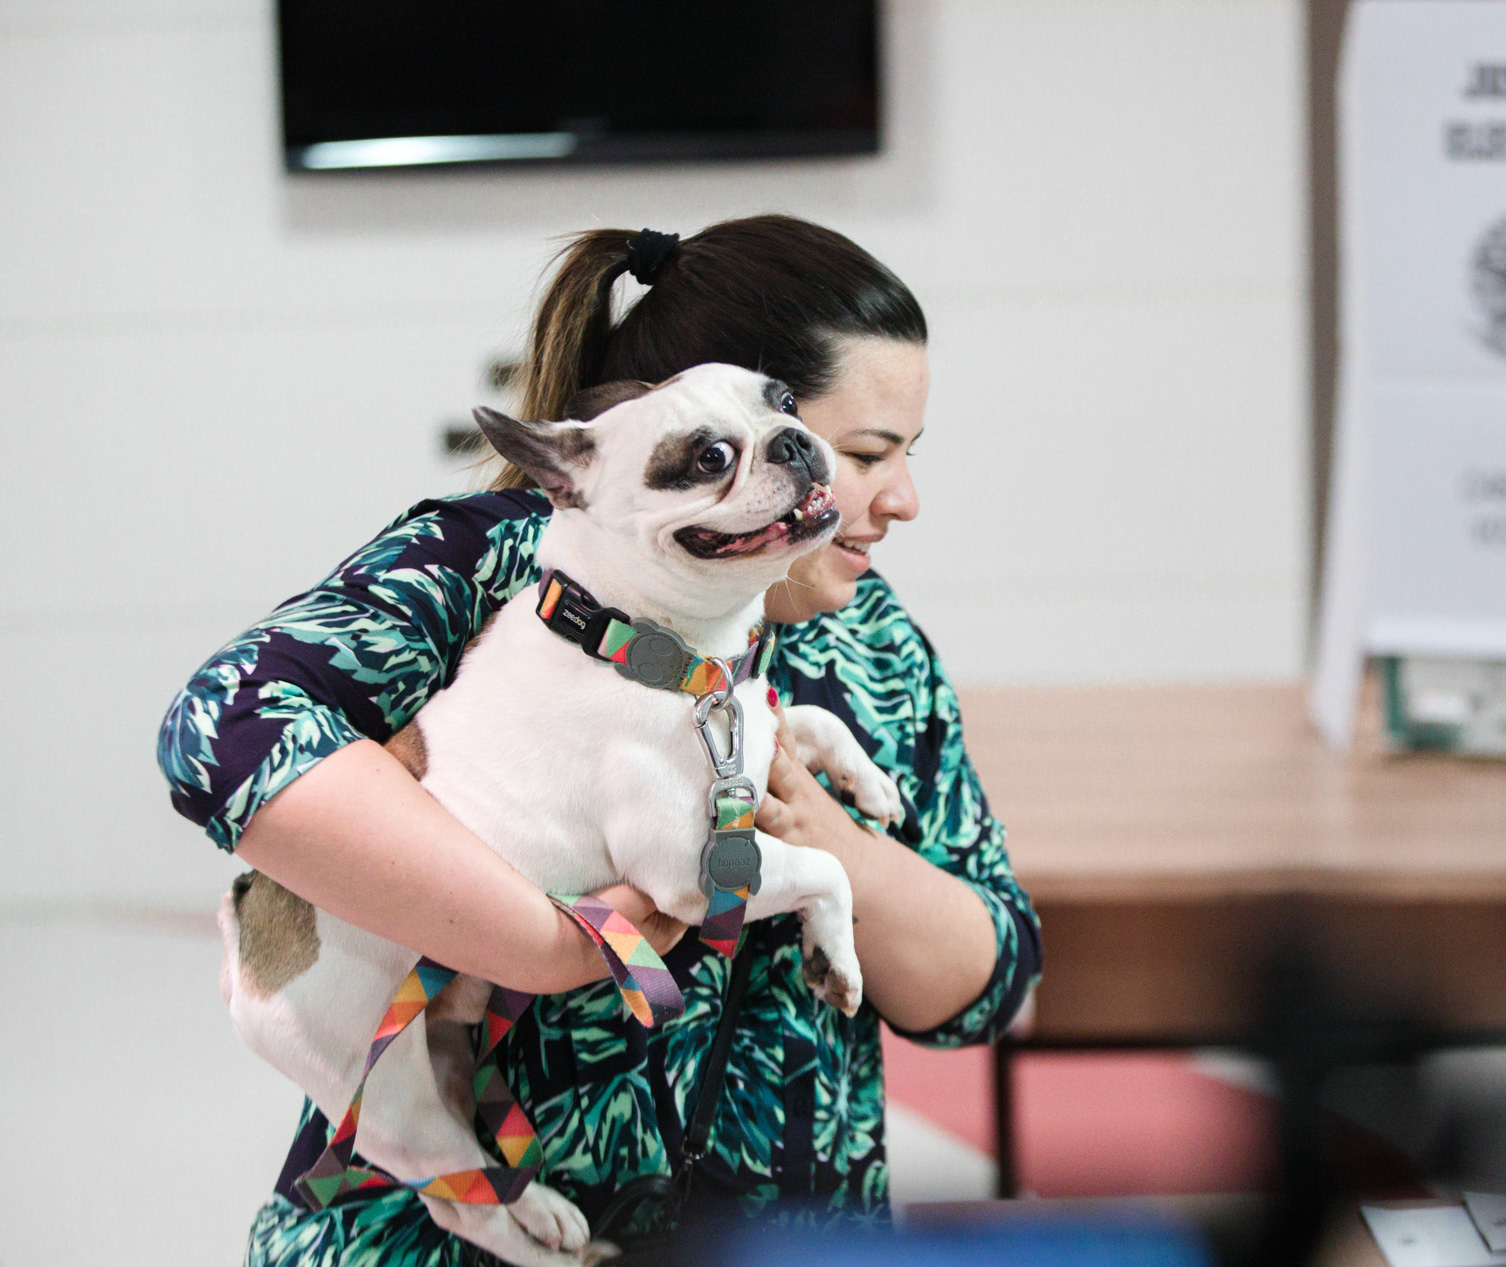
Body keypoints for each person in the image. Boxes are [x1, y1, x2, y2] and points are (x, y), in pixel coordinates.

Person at [157, 214, 1040, 1264]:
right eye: (864, 455)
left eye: (906, 456)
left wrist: (823, 838)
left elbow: (986, 984)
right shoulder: (510, 563)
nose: (903, 499)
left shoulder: (871, 639)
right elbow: (223, 728)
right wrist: (536, 942)